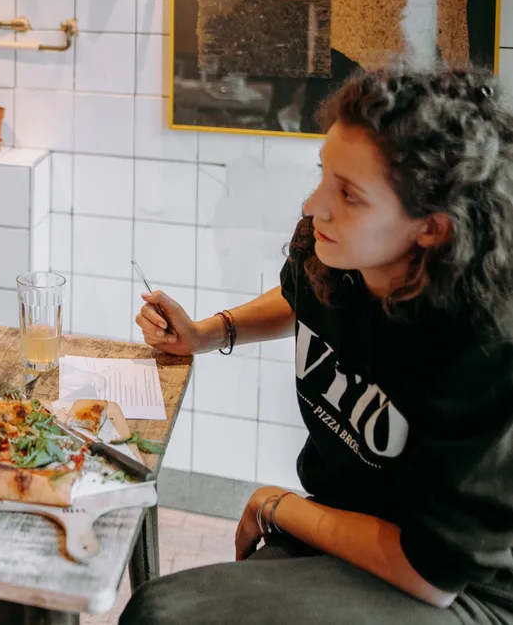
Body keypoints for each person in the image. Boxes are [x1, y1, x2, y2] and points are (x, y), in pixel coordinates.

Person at [123, 69, 513, 625]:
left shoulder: (487, 348)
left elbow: (432, 572)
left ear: (433, 228)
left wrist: (277, 505)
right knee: (157, 608)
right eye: (323, 174)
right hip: (350, 524)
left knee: (161, 615)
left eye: (349, 194)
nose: (313, 205)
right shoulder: (336, 253)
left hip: (462, 587)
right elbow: (303, 297)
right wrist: (206, 334)